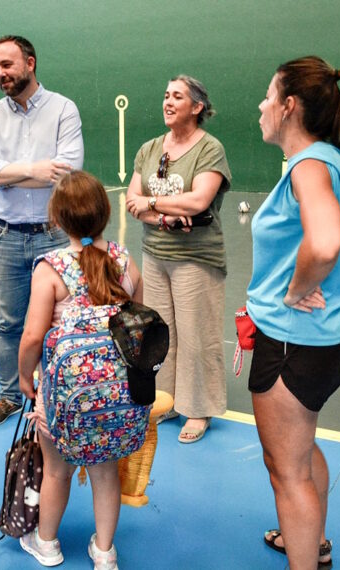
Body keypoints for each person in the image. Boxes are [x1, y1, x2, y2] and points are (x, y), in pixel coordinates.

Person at [249, 56, 340, 569]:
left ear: (289, 106)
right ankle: (312, 542)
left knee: (286, 471)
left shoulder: (309, 165)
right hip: (319, 342)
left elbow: (324, 245)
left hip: (291, 342)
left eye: (269, 95)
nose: (261, 105)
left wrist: (295, 289)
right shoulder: (331, 161)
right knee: (302, 451)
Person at [18, 171, 142, 570]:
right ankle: (105, 552)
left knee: (57, 470)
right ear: (105, 214)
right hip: (116, 395)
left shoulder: (51, 268)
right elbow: (140, 327)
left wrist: (25, 378)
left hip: (62, 397)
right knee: (106, 473)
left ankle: (47, 543)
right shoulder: (125, 262)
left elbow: (32, 337)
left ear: (57, 219)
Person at [0, 35, 84, 428]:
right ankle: (10, 396)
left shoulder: (63, 109)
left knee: (59, 321)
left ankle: (55, 394)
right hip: (6, 236)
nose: (1, 73)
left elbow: (66, 169)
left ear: (30, 63)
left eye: (7, 65)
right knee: (8, 323)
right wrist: (34, 170)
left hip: (54, 236)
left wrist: (6, 176)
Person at [124, 75, 231, 443]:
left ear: (197, 107)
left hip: (196, 258)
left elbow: (199, 201)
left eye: (178, 97)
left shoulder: (210, 149)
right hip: (155, 255)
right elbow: (131, 200)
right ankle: (166, 400)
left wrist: (152, 204)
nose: (168, 102)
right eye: (166, 95)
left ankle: (199, 409)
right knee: (159, 335)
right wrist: (164, 217)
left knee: (196, 336)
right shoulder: (150, 148)